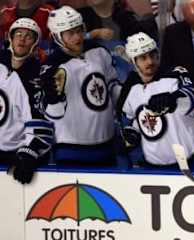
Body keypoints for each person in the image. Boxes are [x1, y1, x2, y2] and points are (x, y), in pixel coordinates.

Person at [119, 32, 194, 169]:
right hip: (155, 167)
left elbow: (193, 96)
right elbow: (132, 119)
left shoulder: (175, 73)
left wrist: (172, 99)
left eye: (153, 55)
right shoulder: (131, 89)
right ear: (134, 61)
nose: (150, 61)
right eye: (143, 58)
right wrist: (131, 132)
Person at [41, 5, 121, 165]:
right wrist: (53, 99)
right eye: (70, 33)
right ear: (57, 36)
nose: (77, 37)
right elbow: (51, 115)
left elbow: (113, 88)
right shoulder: (51, 68)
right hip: (70, 149)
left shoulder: (99, 51)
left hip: (106, 144)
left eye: (79, 30)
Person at [0, 19, 54, 184]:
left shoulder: (37, 76)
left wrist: (28, 154)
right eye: (18, 34)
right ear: (10, 38)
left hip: (15, 155)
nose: (22, 39)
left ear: (35, 43)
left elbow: (43, 125)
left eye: (28, 36)